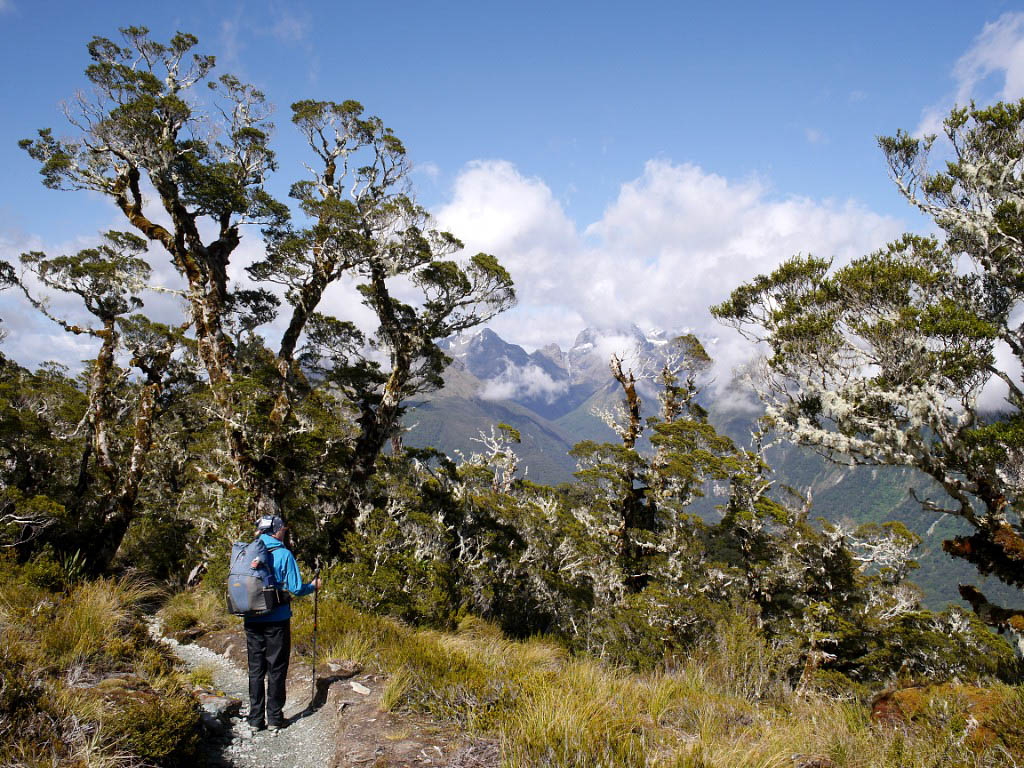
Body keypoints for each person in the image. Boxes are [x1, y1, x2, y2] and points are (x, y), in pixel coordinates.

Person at [243, 514, 319, 732]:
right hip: (277, 620)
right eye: (283, 530)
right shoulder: (284, 554)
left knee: (256, 669)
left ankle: (255, 719)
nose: (284, 533)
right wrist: (313, 586)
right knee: (276, 667)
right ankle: (275, 718)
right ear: (276, 531)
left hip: (251, 618)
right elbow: (296, 588)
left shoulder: (248, 552)